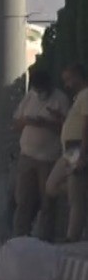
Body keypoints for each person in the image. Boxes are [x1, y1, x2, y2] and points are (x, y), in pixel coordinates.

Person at [11, 63, 71, 240]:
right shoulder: (30, 97)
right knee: (23, 201)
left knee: (47, 202)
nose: (40, 93)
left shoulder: (60, 99)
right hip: (27, 156)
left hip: (49, 158)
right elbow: (16, 123)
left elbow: (67, 127)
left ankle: (45, 239)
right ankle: (20, 237)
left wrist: (46, 123)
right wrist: (28, 121)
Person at [47, 63, 88, 242]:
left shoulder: (86, 95)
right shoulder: (78, 97)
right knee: (52, 186)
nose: (67, 84)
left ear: (78, 76)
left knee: (75, 199)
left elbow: (86, 125)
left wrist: (84, 154)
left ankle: (73, 237)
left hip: (78, 148)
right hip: (70, 150)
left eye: (69, 79)